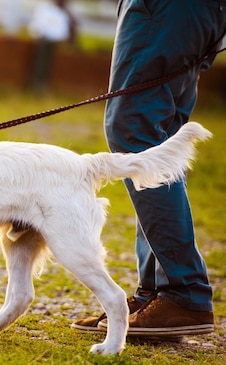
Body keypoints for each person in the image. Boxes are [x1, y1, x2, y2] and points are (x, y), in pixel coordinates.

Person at [72, 0, 226, 337]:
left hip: (170, 9)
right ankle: (160, 290)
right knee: (159, 143)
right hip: (189, 12)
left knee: (134, 128)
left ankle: (183, 291)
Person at [27, 0, 76, 95]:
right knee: (42, 64)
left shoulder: (64, 13)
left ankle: (43, 86)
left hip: (56, 43)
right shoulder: (46, 9)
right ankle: (38, 85)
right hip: (45, 41)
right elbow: (38, 26)